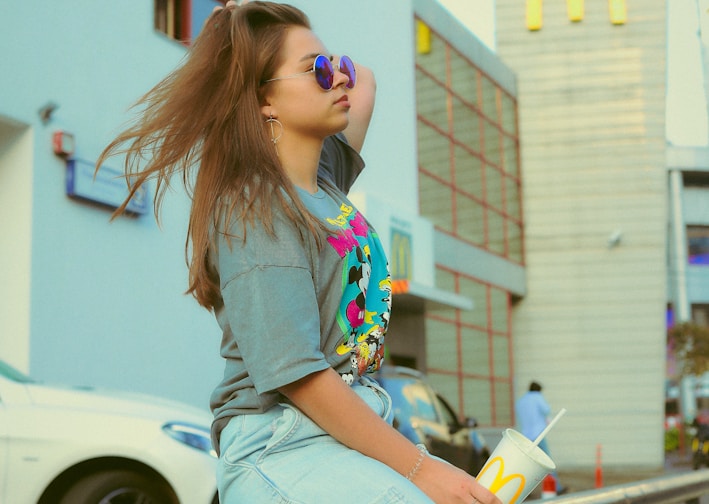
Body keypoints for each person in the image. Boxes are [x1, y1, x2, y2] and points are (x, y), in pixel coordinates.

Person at [97, 1, 503, 503]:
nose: (337, 78)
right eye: (315, 70)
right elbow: (302, 376)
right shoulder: (255, 210)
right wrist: (422, 469)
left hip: (339, 435)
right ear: (264, 99)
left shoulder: (325, 181)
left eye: (337, 66)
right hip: (280, 444)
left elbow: (367, 81)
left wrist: (266, 24)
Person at [516, 381, 566, 494]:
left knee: (525, 464)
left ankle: (518, 489)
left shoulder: (521, 401)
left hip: (526, 436)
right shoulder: (537, 397)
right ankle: (556, 487)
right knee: (547, 462)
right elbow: (546, 410)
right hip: (538, 434)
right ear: (538, 390)